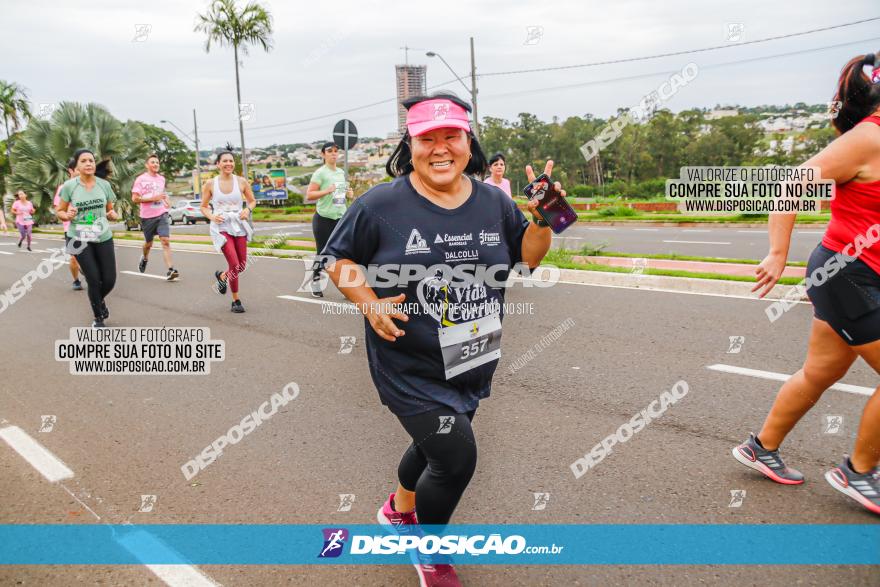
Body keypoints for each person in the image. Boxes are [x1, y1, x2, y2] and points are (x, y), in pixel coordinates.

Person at [323, 93, 560, 585]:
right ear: (410, 145)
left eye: (450, 136)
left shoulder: (493, 199)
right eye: (426, 138)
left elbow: (527, 260)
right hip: (406, 359)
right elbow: (338, 261)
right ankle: (429, 551)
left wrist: (543, 216)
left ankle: (396, 511)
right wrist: (369, 304)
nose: (439, 148)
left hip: (473, 355)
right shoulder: (380, 204)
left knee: (434, 445)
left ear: (467, 142)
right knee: (455, 456)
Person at [734, 52, 880, 515]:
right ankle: (859, 472)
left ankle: (761, 447)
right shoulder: (868, 138)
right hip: (847, 273)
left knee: (820, 372)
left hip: (856, 273)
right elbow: (791, 183)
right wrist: (778, 253)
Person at [55, 149, 120, 327]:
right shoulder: (69, 186)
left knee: (109, 280)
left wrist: (113, 214)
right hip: (79, 236)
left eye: (91, 160)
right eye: (83, 161)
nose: (89, 163)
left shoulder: (104, 185)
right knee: (93, 278)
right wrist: (66, 215)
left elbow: (110, 209)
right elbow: (59, 211)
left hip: (103, 235)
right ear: (76, 166)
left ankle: (99, 301)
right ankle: (98, 317)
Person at [201, 149, 256, 313]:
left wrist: (248, 210)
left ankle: (222, 277)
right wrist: (211, 216)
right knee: (234, 264)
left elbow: (252, 201)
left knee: (242, 265)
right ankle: (236, 301)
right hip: (221, 226)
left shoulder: (241, 182)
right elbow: (203, 207)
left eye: (231, 161)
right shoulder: (210, 184)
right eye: (224, 161)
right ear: (218, 164)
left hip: (239, 225)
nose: (228, 164)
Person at [305, 141, 353, 297]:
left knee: (345, 253)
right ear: (323, 154)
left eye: (335, 150)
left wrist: (348, 194)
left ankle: (347, 288)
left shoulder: (340, 172)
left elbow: (339, 195)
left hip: (340, 217)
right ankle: (315, 283)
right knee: (323, 253)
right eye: (329, 151)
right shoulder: (320, 173)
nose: (333, 153)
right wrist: (326, 190)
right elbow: (310, 195)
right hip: (323, 218)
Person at [132, 154, 179, 280]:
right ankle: (145, 258)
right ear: (147, 165)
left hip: (162, 213)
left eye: (157, 162)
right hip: (147, 217)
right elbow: (135, 198)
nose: (155, 164)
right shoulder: (140, 179)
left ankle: (171, 270)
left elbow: (162, 194)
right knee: (148, 244)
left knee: (165, 241)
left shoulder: (161, 179)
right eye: (153, 162)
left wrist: (167, 200)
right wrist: (153, 198)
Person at [54, 159, 83, 290]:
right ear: (70, 171)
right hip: (71, 228)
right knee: (74, 258)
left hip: (87, 226)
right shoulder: (63, 188)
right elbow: (58, 209)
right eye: (78, 168)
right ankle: (76, 280)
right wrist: (67, 215)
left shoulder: (86, 185)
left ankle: (87, 270)